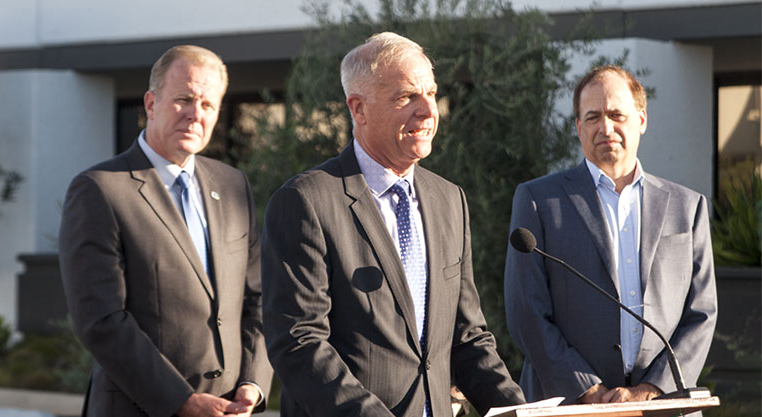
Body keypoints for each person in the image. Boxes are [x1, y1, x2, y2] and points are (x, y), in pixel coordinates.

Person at [261, 32, 525, 417]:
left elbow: (467, 338)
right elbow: (299, 343)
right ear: (359, 109)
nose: (428, 111)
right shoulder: (306, 201)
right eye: (406, 97)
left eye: (431, 94)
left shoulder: (449, 199)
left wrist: (520, 411)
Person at [59, 45, 272, 417]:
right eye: (184, 99)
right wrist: (181, 401)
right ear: (151, 103)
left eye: (208, 105)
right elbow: (101, 320)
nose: (195, 115)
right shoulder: (100, 189)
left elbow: (258, 299)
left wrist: (252, 384)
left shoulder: (233, 184)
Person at [504, 65, 717, 407]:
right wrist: (588, 389)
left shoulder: (687, 207)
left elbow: (701, 313)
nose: (606, 128)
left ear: (641, 120)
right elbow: (525, 312)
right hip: (569, 405)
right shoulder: (537, 201)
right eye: (592, 117)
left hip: (662, 406)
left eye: (617, 114)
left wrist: (651, 390)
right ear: (578, 127)